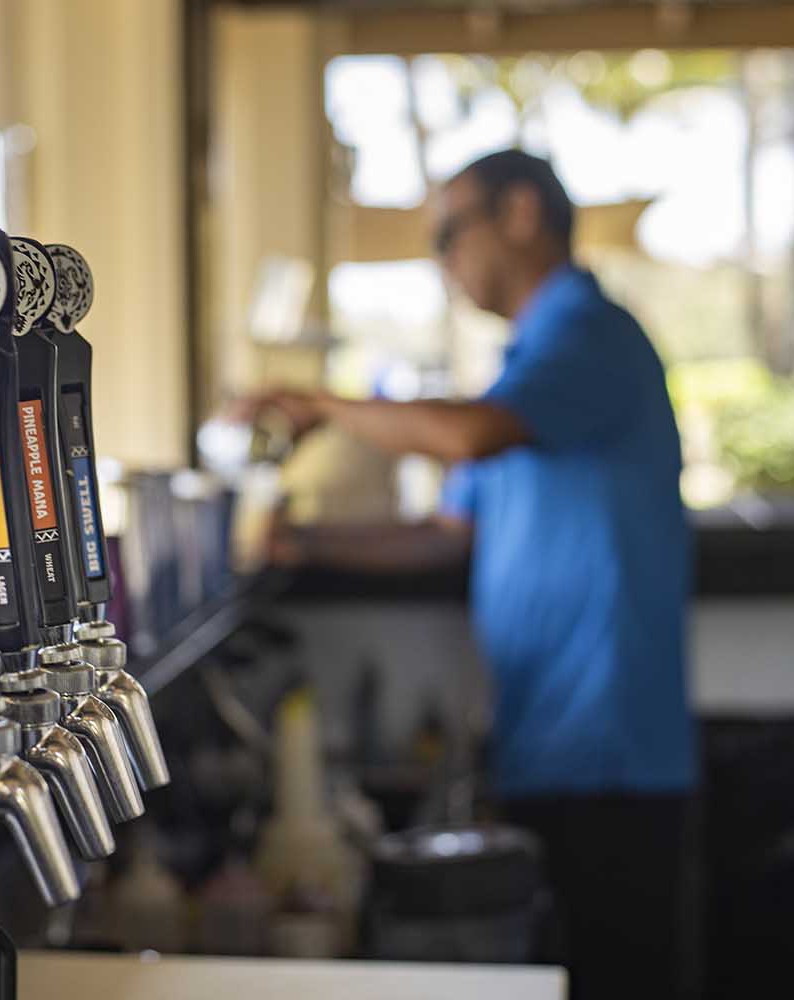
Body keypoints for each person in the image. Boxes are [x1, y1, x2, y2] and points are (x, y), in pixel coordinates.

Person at [235, 149, 697, 998]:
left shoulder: (592, 337)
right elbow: (448, 535)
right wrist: (303, 546)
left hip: (612, 753)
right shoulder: (527, 369)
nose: (441, 260)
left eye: (450, 232)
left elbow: (469, 435)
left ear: (521, 213)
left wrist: (320, 406)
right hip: (544, 738)